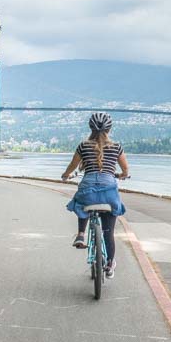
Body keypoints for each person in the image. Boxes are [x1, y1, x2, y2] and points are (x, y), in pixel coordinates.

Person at [62, 112, 130, 278]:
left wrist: (65, 175)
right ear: (110, 128)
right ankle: (109, 264)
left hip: (88, 190)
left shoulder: (83, 146)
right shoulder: (116, 147)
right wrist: (122, 175)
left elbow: (72, 166)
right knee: (109, 232)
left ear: (90, 127)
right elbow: (125, 170)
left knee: (81, 202)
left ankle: (81, 234)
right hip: (109, 192)